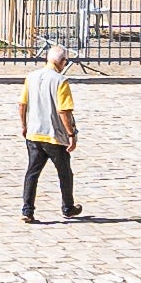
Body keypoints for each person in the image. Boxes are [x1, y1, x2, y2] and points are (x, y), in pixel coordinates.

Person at [19, 46, 83, 221]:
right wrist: (70, 134)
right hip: (53, 135)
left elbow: (22, 104)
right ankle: (68, 206)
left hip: (33, 134)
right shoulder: (61, 81)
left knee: (32, 172)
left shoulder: (31, 77)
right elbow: (64, 111)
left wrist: (24, 125)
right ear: (62, 62)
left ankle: (27, 210)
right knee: (64, 173)